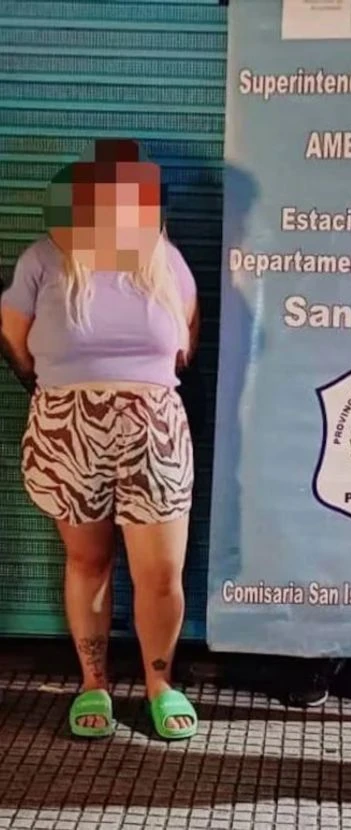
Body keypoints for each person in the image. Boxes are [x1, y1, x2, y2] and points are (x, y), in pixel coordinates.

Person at [0, 139, 201, 740]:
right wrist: (69, 394)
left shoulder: (166, 260)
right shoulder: (43, 259)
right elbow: (14, 342)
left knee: (160, 572)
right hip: (68, 431)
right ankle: (94, 683)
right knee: (88, 561)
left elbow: (185, 347)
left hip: (154, 432)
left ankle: (161, 684)